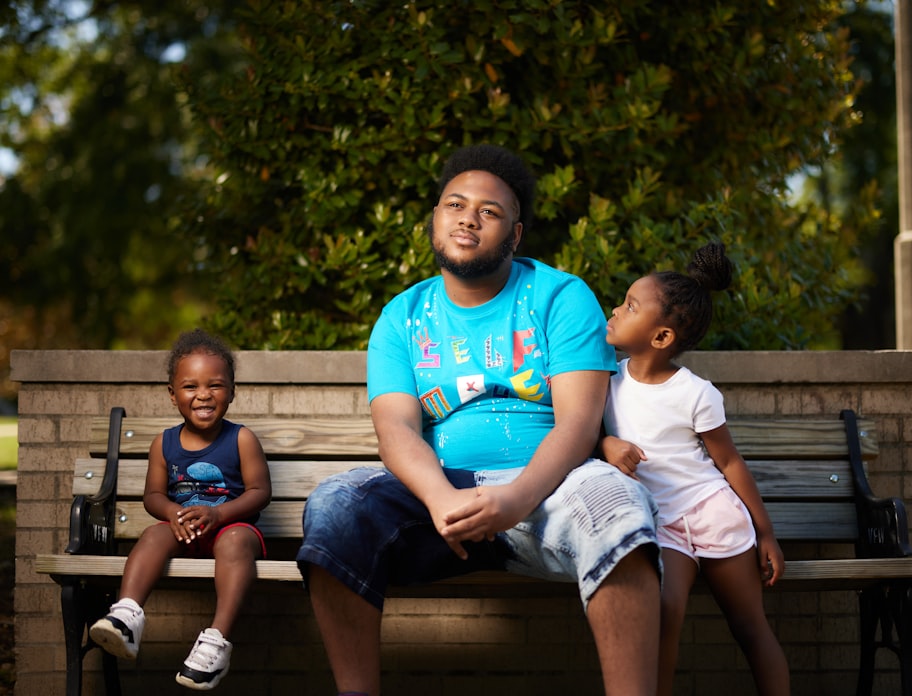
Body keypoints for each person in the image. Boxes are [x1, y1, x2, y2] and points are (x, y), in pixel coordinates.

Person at [297, 143, 662, 696]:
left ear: (515, 235)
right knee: (335, 505)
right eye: (454, 204)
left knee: (621, 506)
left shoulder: (560, 296)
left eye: (490, 211)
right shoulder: (402, 316)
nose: (469, 217)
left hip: (550, 493)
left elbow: (578, 424)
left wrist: (516, 499)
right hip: (439, 503)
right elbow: (396, 429)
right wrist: (441, 498)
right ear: (436, 219)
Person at [600, 242, 790, 696]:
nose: (615, 309)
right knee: (663, 615)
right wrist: (606, 443)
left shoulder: (696, 392)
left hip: (713, 513)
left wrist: (765, 535)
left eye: (630, 306)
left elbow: (728, 462)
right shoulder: (606, 382)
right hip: (660, 523)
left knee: (750, 627)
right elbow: (581, 435)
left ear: (662, 337)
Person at [90, 329, 272, 691]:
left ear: (232, 391)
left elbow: (260, 492)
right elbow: (153, 496)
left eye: (216, 385)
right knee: (154, 533)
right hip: (183, 530)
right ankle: (127, 616)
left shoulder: (241, 438)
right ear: (173, 395)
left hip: (231, 529)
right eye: (191, 386)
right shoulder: (164, 443)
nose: (203, 394)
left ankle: (216, 641)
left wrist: (220, 515)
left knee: (235, 542)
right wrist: (171, 512)